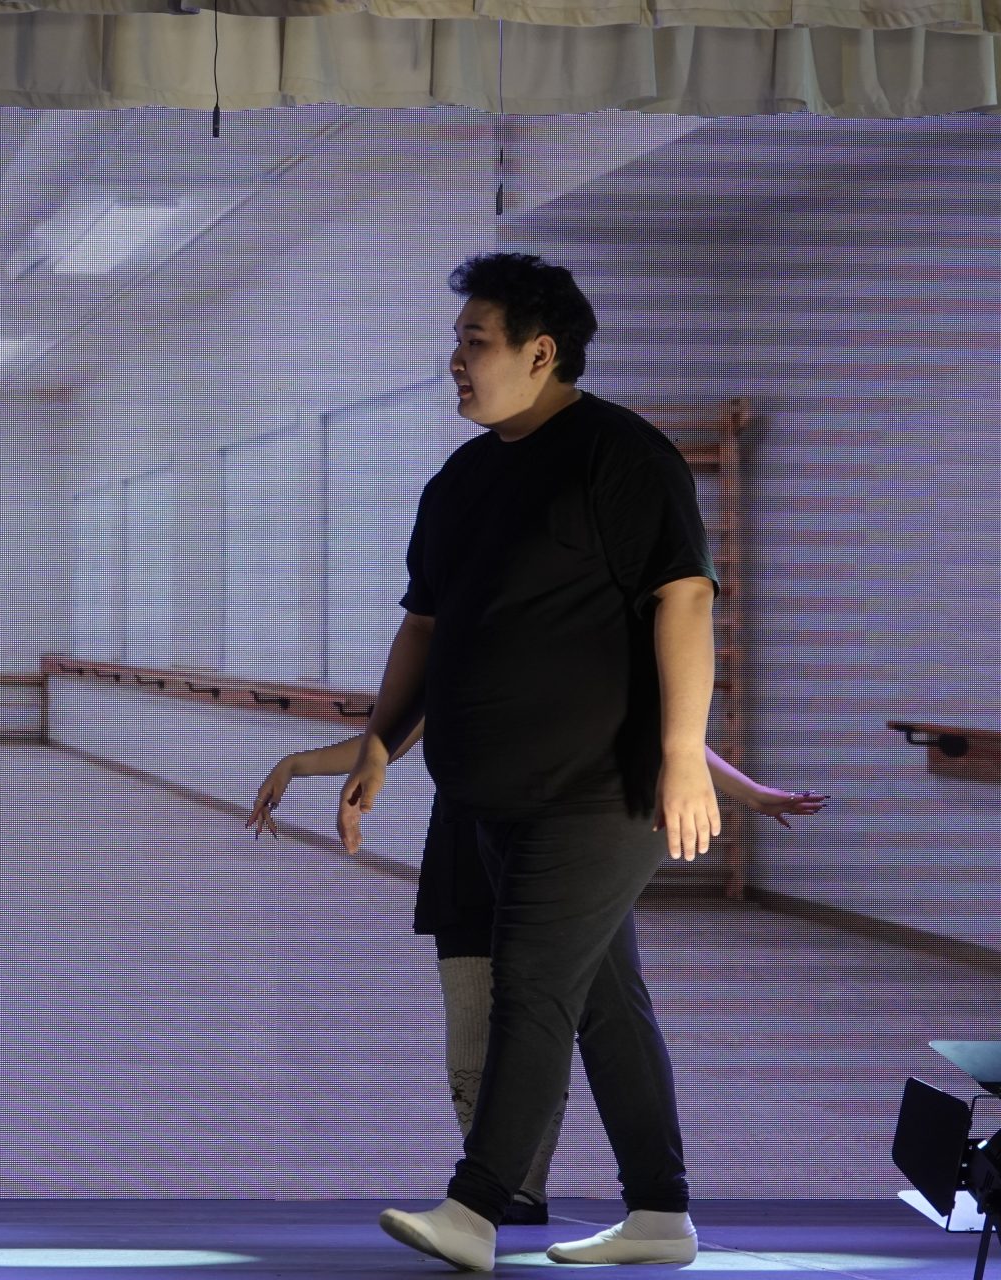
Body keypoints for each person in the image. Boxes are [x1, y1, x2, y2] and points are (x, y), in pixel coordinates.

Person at [340, 252, 723, 1271]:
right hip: (490, 799)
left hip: (596, 792)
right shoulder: (460, 481)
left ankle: (474, 1208)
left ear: (540, 353)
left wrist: (683, 754)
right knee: (604, 1000)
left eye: (475, 342)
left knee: (534, 986)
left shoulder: (622, 457)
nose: (456, 362)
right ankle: (661, 1214)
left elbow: (685, 597)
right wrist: (380, 740)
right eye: (458, 342)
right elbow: (425, 627)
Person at [248, 729, 828, 1223]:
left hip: (557, 848)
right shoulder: (461, 653)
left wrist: (750, 793)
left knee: (561, 1020)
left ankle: (533, 1190)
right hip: (464, 852)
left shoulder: (580, 660)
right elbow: (391, 733)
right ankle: (505, 1190)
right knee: (473, 1029)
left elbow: (662, 727)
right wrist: (297, 764)